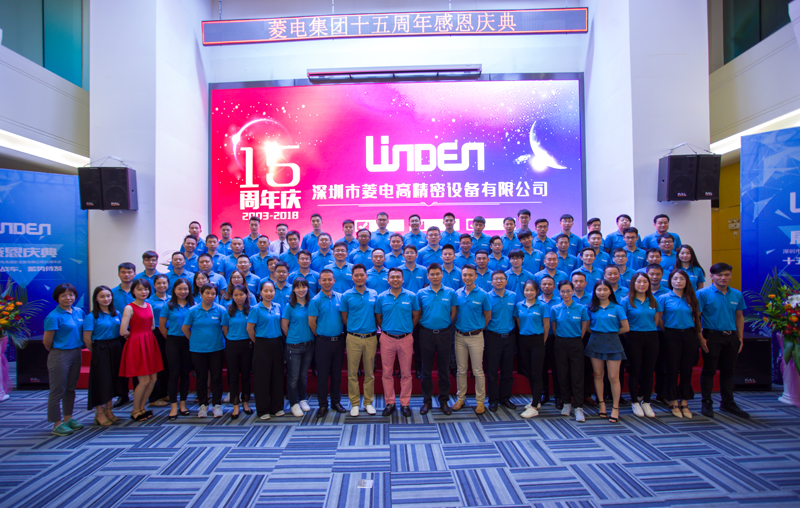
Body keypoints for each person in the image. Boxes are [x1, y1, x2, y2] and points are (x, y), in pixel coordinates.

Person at [697, 263, 749, 419]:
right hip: (711, 336)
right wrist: (700, 337)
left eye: (727, 274)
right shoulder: (702, 293)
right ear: (712, 276)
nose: (723, 278)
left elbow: (739, 316)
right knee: (709, 370)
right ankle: (707, 402)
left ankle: (728, 402)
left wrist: (740, 337)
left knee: (729, 371)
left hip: (731, 337)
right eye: (719, 275)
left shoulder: (737, 294)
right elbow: (696, 317)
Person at [375, 267, 421, 417]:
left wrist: (407, 329)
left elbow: (416, 316)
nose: (395, 279)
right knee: (387, 373)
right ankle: (390, 402)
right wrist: (387, 329)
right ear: (388, 280)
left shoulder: (411, 296)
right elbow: (378, 317)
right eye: (392, 277)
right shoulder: (381, 297)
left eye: (398, 277)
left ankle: (405, 403)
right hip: (387, 338)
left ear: (403, 279)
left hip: (406, 339)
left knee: (406, 373)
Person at [42, 284, 85, 436]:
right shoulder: (53, 316)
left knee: (70, 389)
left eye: (71, 295)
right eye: (64, 295)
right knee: (57, 390)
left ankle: (68, 418)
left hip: (76, 353)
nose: (68, 298)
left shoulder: (79, 311)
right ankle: (56, 423)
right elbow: (47, 341)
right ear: (57, 297)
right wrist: (58, 351)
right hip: (60, 355)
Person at [585, 281, 630, 424]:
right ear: (595, 292)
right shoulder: (591, 308)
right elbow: (587, 327)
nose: (602, 292)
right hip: (595, 342)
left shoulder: (617, 308)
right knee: (598, 374)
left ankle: (615, 408)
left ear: (610, 291)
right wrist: (599, 333)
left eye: (605, 289)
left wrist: (611, 333)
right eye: (599, 289)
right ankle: (602, 404)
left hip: (613, 343)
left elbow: (626, 327)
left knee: (613, 377)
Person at [659, 269, 702, 419]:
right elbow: (659, 319)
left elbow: (696, 318)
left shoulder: (692, 298)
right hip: (671, 334)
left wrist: (699, 336)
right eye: (675, 279)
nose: (678, 281)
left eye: (682, 279)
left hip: (690, 335)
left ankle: (684, 401)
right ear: (670, 281)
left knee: (686, 368)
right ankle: (673, 401)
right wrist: (668, 331)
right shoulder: (664, 298)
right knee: (672, 368)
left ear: (686, 281)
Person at [119, 279, 163, 422]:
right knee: (143, 381)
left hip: (149, 342)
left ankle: (142, 408)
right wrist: (136, 336)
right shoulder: (129, 308)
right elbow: (123, 331)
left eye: (146, 289)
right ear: (133, 291)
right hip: (137, 344)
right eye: (139, 289)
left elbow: (152, 326)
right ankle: (135, 410)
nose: (143, 292)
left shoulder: (149, 305)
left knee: (153, 379)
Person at [416, 263, 457, 415]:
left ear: (442, 275)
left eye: (437, 274)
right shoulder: (421, 293)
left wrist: (443, 325)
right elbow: (418, 313)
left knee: (444, 370)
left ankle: (444, 401)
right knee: (426, 370)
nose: (435, 277)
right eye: (432, 274)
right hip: (426, 334)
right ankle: (427, 402)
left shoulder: (450, 292)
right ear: (427, 276)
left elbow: (453, 313)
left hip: (444, 334)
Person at [622, 273, 663, 418]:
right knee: (635, 370)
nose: (642, 284)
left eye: (645, 282)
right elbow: (623, 322)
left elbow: (656, 320)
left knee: (649, 371)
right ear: (633, 283)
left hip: (651, 337)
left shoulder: (654, 300)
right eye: (638, 281)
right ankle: (634, 401)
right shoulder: (626, 301)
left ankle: (647, 402)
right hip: (634, 337)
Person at [182, 284, 225, 418]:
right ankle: (203, 405)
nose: (210, 296)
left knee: (216, 378)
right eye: (207, 293)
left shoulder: (221, 310)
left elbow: (224, 329)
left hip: (216, 349)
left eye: (213, 293)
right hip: (198, 350)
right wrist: (195, 340)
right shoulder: (193, 310)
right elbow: (185, 329)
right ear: (201, 294)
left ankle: (217, 405)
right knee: (201, 378)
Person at [452, 264, 491, 414]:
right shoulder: (457, 293)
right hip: (459, 336)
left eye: (470, 275)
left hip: (476, 337)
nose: (467, 277)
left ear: (475, 276)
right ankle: (460, 398)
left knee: (477, 370)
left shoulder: (483, 294)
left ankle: (480, 401)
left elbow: (487, 315)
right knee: (461, 370)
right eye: (464, 275)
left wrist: (479, 328)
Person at [341, 264, 379, 417]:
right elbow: (344, 318)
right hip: (353, 338)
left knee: (369, 373)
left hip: (370, 338)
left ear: (366, 276)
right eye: (356, 275)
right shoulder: (346, 295)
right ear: (352, 277)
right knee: (352, 373)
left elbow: (377, 315)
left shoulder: (374, 294)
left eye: (362, 275)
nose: (359, 278)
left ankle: (368, 402)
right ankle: (355, 403)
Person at [550, 281, 590, 422]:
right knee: (563, 373)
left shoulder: (581, 308)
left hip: (576, 342)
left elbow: (584, 327)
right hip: (561, 343)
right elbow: (554, 327)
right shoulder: (555, 308)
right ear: (559, 292)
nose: (565, 294)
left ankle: (578, 407)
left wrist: (577, 338)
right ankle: (566, 403)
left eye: (568, 291)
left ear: (573, 291)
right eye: (562, 291)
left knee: (577, 375)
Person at [309, 270, 346, 418]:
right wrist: (321, 336)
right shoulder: (315, 300)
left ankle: (336, 402)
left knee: (337, 374)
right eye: (324, 280)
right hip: (322, 342)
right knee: (323, 376)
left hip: (338, 342)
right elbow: (312, 323)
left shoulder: (341, 298)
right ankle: (323, 405)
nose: (327, 282)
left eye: (330, 279)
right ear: (319, 282)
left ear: (334, 281)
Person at [83, 286, 122, 426]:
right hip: (100, 349)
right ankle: (99, 413)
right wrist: (96, 351)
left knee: (112, 380)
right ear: (96, 299)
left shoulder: (116, 313)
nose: (106, 299)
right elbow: (87, 339)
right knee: (101, 381)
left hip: (115, 347)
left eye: (108, 296)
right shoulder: (91, 317)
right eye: (102, 296)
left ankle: (108, 410)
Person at [247, 280, 286, 420]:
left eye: (271, 291)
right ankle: (263, 410)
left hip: (276, 343)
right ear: (260, 292)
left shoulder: (278, 306)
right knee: (262, 378)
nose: (269, 293)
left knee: (277, 377)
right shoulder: (255, 309)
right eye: (266, 291)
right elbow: (250, 329)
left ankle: (277, 407)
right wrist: (259, 342)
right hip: (261, 344)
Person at [484, 270, 519, 412]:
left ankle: (505, 398)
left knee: (507, 370)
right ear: (491, 282)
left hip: (509, 337)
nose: (499, 281)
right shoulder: (487, 297)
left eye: (502, 278)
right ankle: (493, 400)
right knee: (492, 371)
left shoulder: (513, 296)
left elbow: (515, 316)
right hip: (493, 337)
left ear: (506, 281)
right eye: (496, 279)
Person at [159, 279, 194, 420]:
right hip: (172, 341)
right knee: (173, 374)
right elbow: (162, 326)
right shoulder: (168, 306)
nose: (182, 292)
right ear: (174, 290)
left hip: (188, 341)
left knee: (185, 373)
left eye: (185, 289)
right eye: (179, 289)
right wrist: (170, 339)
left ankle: (183, 404)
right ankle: (173, 406)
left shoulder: (193, 306)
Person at [516, 280, 550, 418]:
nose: (529, 292)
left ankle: (535, 406)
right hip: (524, 341)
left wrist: (542, 341)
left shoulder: (542, 305)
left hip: (538, 341)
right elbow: (519, 322)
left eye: (532, 290)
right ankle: (535, 400)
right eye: (526, 290)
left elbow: (546, 325)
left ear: (537, 291)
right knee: (529, 372)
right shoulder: (519, 305)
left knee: (536, 373)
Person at [282, 278, 315, 417]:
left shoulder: (311, 304)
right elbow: (284, 326)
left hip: (308, 345)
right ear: (294, 289)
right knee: (293, 376)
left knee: (303, 375)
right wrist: (294, 337)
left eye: (304, 287)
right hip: (293, 346)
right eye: (298, 287)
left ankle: (302, 399)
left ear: (307, 288)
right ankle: (293, 403)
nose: (301, 290)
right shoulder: (289, 306)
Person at [222, 284, 254, 419]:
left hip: (247, 345)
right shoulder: (228, 311)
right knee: (233, 376)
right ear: (232, 296)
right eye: (236, 295)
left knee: (246, 376)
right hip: (232, 345)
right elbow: (225, 330)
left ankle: (245, 402)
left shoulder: (251, 310)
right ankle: (235, 405)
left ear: (246, 295)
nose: (239, 297)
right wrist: (232, 338)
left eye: (241, 294)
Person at [146, 274, 171, 407]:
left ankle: (164, 393)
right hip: (156, 334)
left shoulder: (172, 299)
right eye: (159, 283)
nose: (162, 285)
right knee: (157, 365)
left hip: (171, 332)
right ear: (154, 285)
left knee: (167, 364)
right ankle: (154, 396)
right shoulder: (149, 301)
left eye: (164, 283)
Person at [538, 276, 562, 408]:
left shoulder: (560, 301)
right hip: (540, 338)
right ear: (540, 286)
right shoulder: (535, 300)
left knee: (557, 367)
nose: (547, 286)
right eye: (544, 284)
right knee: (541, 367)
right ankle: (544, 393)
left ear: (554, 286)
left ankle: (558, 396)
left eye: (549, 284)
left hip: (555, 338)